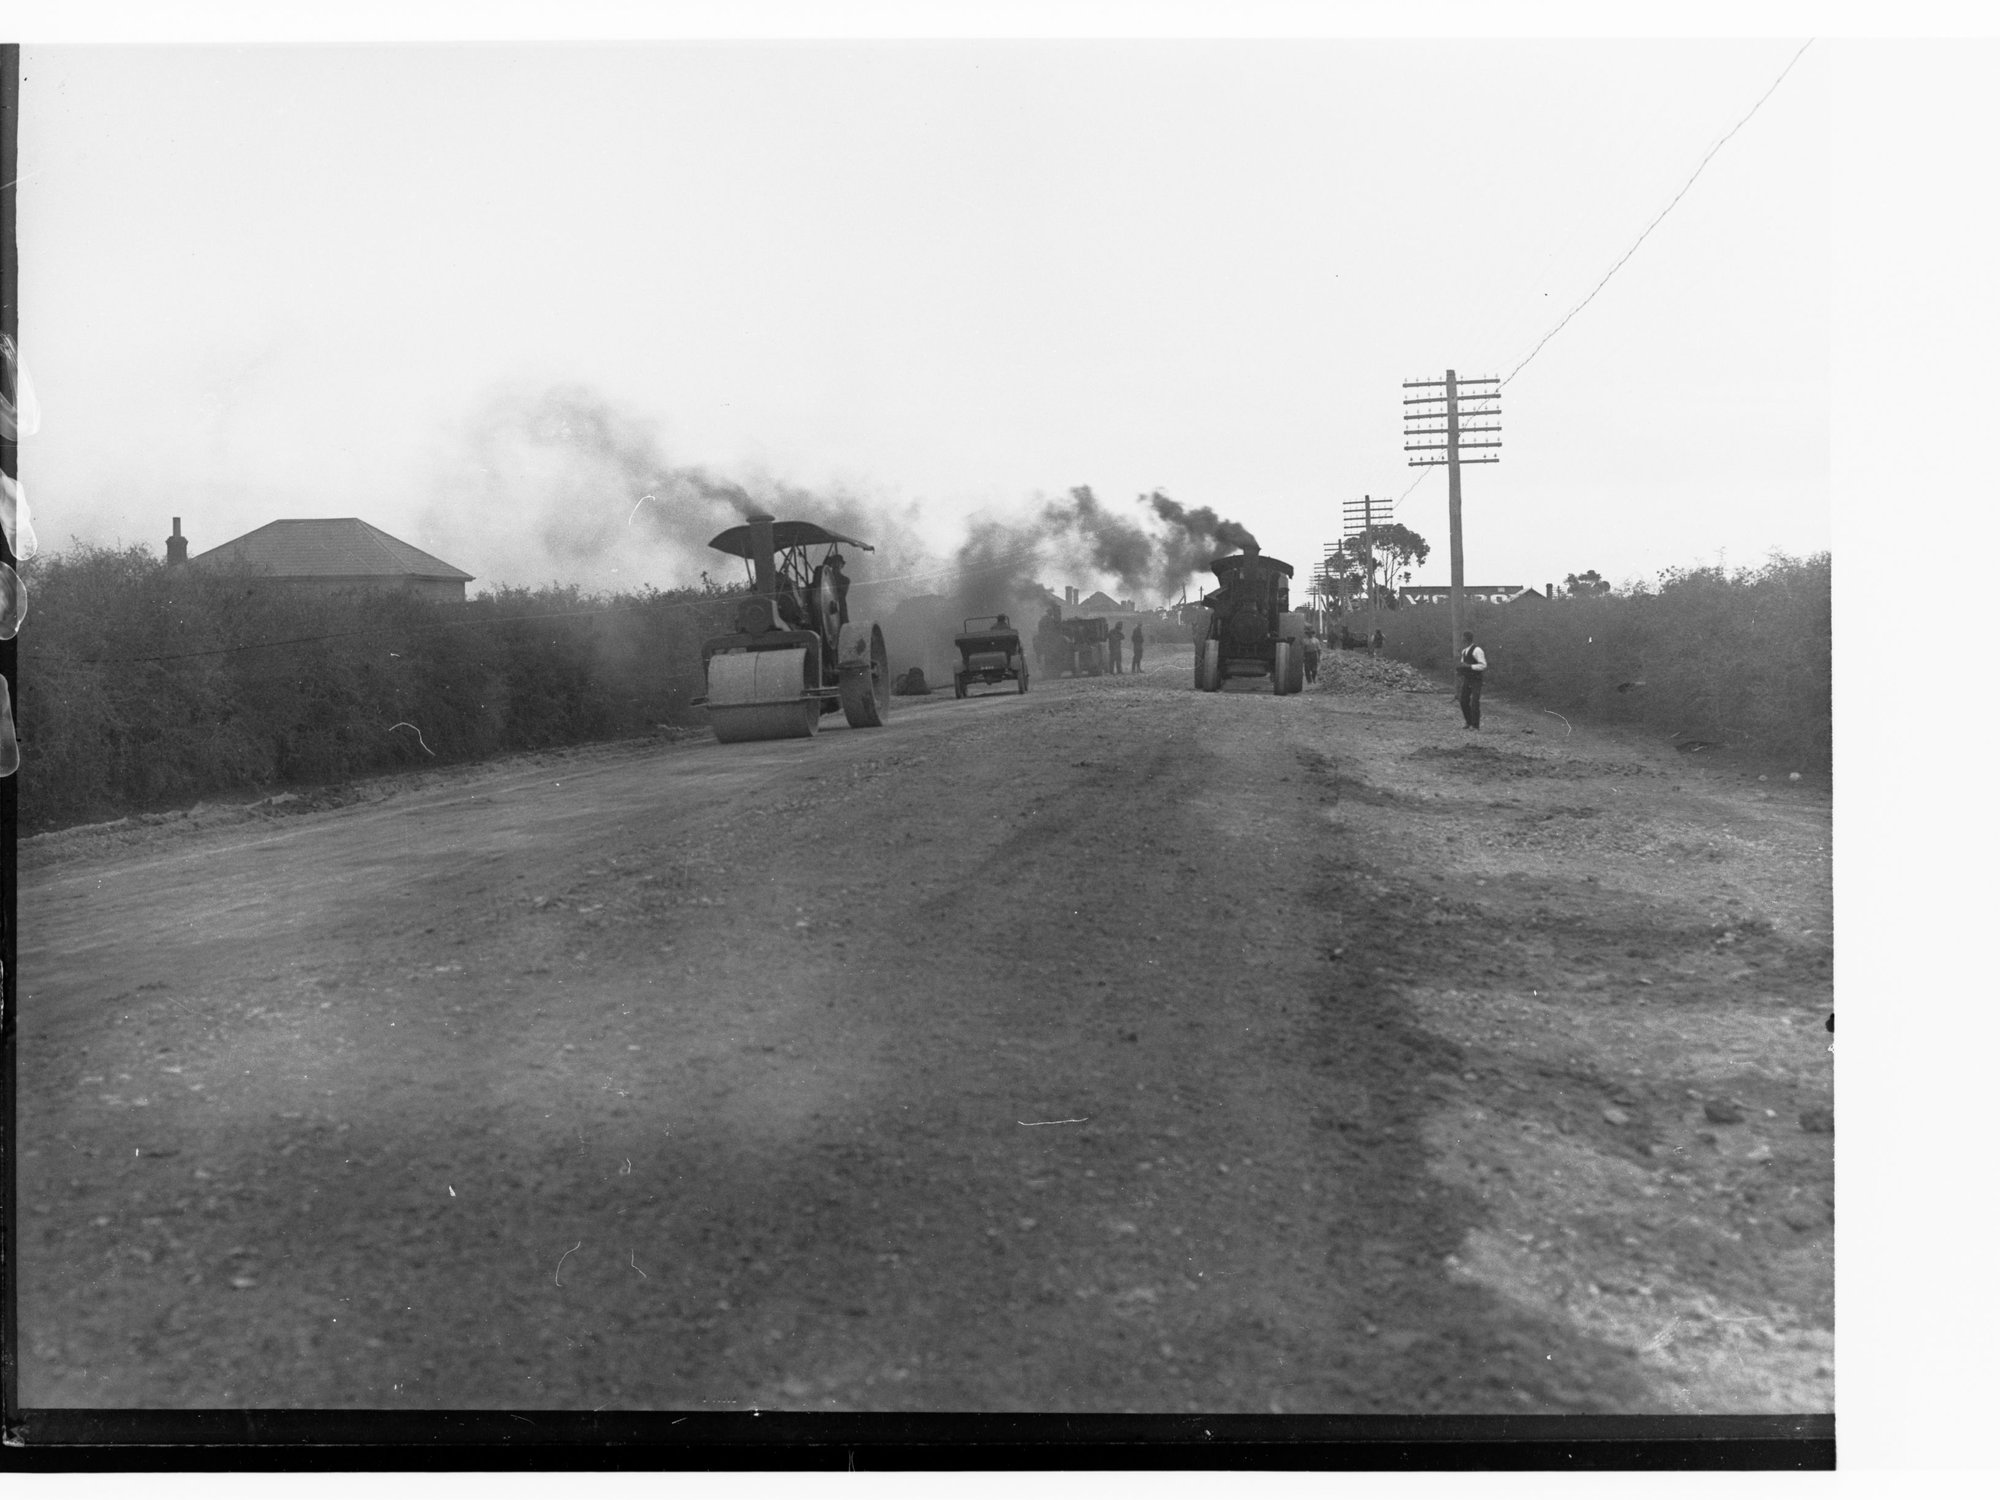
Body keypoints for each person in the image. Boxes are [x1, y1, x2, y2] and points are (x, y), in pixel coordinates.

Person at [1457, 629, 1486, 730]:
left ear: (1466, 639)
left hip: (1476, 679)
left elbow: (1483, 665)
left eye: (1463, 638)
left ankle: (1475, 725)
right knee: (1463, 700)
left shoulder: (1477, 650)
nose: (1462, 640)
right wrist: (1461, 669)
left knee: (1475, 701)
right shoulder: (1464, 651)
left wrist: (1470, 666)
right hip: (1467, 678)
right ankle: (1468, 722)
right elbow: (1463, 664)